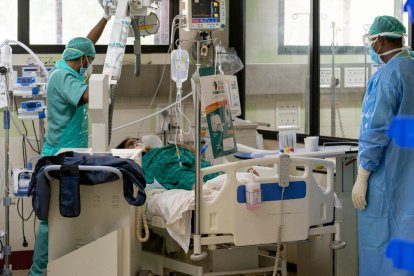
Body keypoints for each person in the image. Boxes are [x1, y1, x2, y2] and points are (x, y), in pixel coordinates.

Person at [29, 15, 111, 276]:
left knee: (64, 216)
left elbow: (88, 42)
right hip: (59, 155)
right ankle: (38, 272)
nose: (89, 65)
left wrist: (107, 17)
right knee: (50, 219)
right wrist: (106, 78)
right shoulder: (65, 76)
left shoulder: (70, 64)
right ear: (83, 60)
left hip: (70, 153)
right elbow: (88, 95)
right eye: (88, 61)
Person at [352, 15, 414, 275]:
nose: (371, 47)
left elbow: (375, 130)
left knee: (383, 242)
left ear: (380, 41)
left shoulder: (387, 77)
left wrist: (363, 174)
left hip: (389, 175)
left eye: (372, 40)